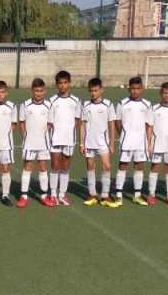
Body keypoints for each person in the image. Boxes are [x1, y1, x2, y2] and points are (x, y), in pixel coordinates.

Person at [112, 76, 153, 206]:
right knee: (122, 165)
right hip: (126, 141)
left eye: (138, 88)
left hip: (140, 142)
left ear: (142, 88)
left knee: (139, 166)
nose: (135, 91)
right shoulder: (122, 103)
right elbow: (117, 121)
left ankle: (137, 195)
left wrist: (148, 142)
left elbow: (149, 124)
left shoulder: (147, 104)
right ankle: (119, 195)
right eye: (133, 88)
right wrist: (124, 134)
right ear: (129, 89)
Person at [79, 77, 117, 207]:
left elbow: (111, 124)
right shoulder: (85, 105)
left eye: (96, 90)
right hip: (89, 143)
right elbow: (82, 124)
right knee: (90, 166)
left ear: (101, 90)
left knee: (106, 167)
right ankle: (92, 195)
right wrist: (81, 143)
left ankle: (105, 196)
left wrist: (112, 143)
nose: (93, 93)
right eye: (91, 91)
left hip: (103, 143)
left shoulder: (108, 104)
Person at [46, 70, 82, 206]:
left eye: (65, 82)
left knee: (66, 165)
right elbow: (49, 122)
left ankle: (62, 194)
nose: (63, 85)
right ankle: (53, 194)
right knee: (55, 165)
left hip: (69, 138)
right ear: (56, 84)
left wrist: (68, 130)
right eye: (60, 83)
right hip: (55, 137)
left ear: (69, 83)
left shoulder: (76, 101)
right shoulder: (52, 101)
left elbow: (77, 119)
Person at [17, 78, 52, 208]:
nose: (39, 93)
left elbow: (50, 123)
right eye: (36, 90)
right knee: (27, 167)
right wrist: (25, 137)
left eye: (41, 91)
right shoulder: (25, 105)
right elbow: (22, 123)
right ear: (32, 90)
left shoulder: (48, 105)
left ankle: (44, 196)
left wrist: (43, 135)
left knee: (43, 168)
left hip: (43, 143)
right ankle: (23, 196)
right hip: (29, 143)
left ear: (45, 91)